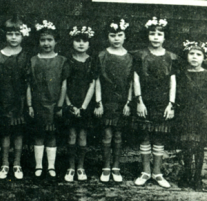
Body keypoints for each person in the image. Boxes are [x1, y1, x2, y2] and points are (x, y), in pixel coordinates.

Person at [133, 17, 177, 188]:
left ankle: (157, 173)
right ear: (148, 35)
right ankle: (145, 172)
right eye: (152, 33)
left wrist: (171, 104)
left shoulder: (171, 57)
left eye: (160, 34)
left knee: (159, 137)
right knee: (145, 136)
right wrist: (139, 102)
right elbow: (136, 79)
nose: (156, 37)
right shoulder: (141, 55)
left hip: (162, 103)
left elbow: (173, 82)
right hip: (145, 101)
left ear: (165, 37)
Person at [27, 20, 68, 178]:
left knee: (51, 134)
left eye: (49, 40)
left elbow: (64, 85)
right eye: (43, 40)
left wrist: (59, 105)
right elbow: (29, 85)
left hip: (54, 104)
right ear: (38, 41)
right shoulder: (33, 60)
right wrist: (30, 105)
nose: (46, 43)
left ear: (56, 41)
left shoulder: (62, 61)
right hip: (38, 103)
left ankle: (51, 166)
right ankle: (38, 166)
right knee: (39, 134)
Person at [95, 19, 133, 183]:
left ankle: (116, 167)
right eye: (112, 35)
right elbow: (96, 80)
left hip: (122, 101)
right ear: (107, 37)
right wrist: (98, 102)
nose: (116, 38)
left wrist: (128, 103)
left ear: (125, 36)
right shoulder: (102, 55)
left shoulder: (129, 57)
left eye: (119, 35)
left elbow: (132, 82)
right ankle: (106, 167)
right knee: (107, 134)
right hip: (106, 100)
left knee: (118, 135)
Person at [177, 40, 207, 191]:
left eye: (198, 54)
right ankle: (187, 174)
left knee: (199, 147)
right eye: (191, 54)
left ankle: (197, 178)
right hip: (185, 114)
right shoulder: (181, 75)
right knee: (186, 145)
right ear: (187, 56)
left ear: (204, 57)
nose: (194, 57)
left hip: (203, 115)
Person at [0, 17, 31, 180]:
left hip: (21, 98)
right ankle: (4, 163)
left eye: (17, 34)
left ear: (23, 35)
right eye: (10, 34)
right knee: (5, 132)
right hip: (4, 98)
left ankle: (17, 163)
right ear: (5, 35)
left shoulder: (27, 56)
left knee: (18, 131)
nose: (13, 38)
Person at [64, 26, 95, 182]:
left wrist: (83, 107)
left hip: (85, 103)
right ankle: (70, 167)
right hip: (70, 101)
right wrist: (69, 105)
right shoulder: (67, 60)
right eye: (77, 40)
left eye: (85, 41)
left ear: (89, 44)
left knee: (82, 135)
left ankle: (81, 167)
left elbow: (92, 84)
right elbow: (64, 84)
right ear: (72, 42)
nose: (81, 44)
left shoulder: (91, 61)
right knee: (71, 134)